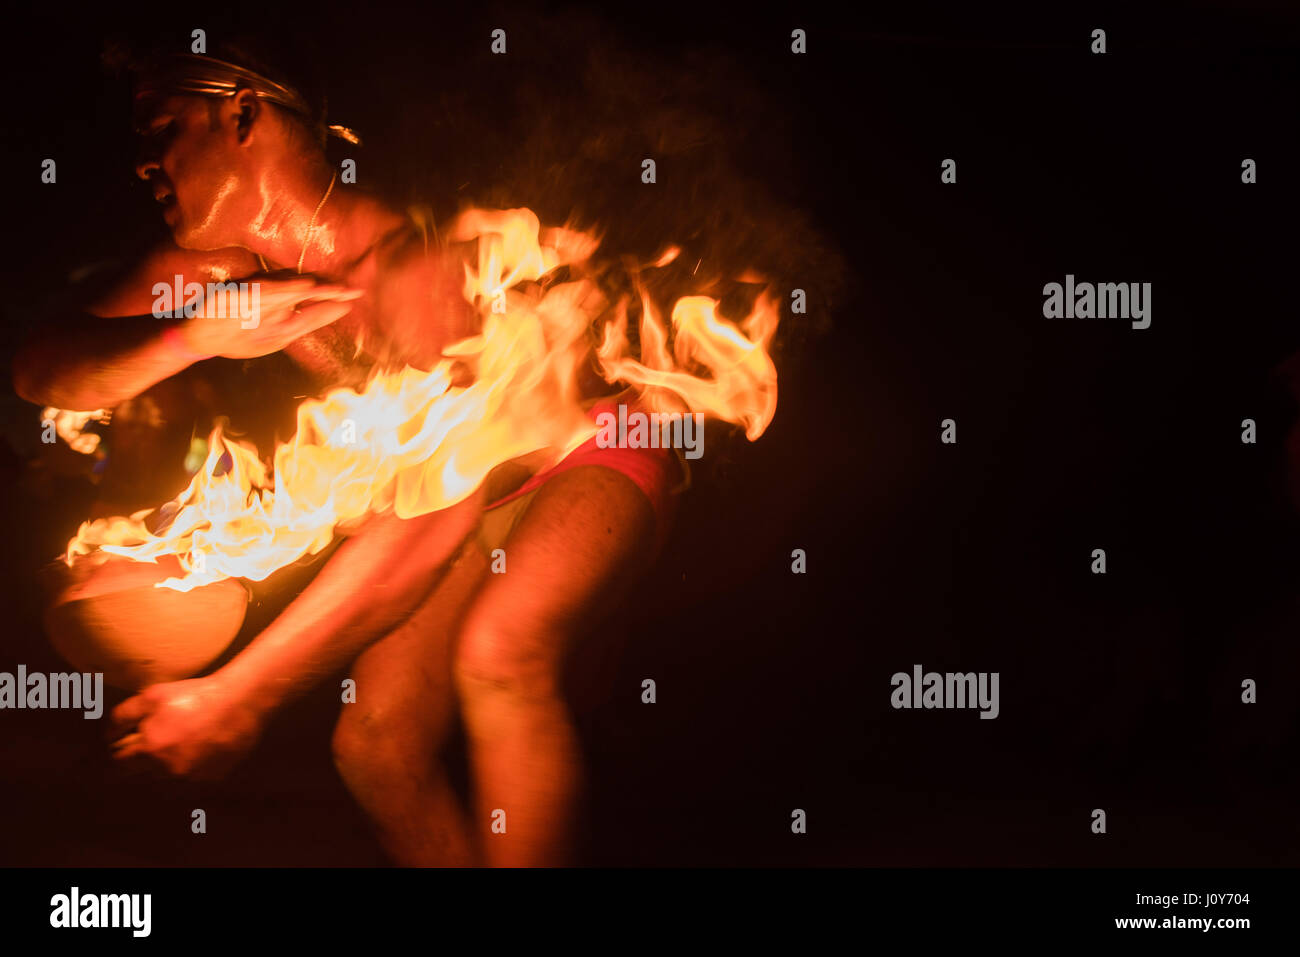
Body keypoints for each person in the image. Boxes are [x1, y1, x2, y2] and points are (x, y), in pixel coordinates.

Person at [14, 40, 681, 866]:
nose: (144, 161)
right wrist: (191, 334)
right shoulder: (215, 270)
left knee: (500, 654)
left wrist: (239, 694)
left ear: (244, 114)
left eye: (161, 126)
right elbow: (42, 370)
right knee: (373, 742)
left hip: (591, 450)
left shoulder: (411, 268)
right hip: (460, 505)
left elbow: (431, 516)